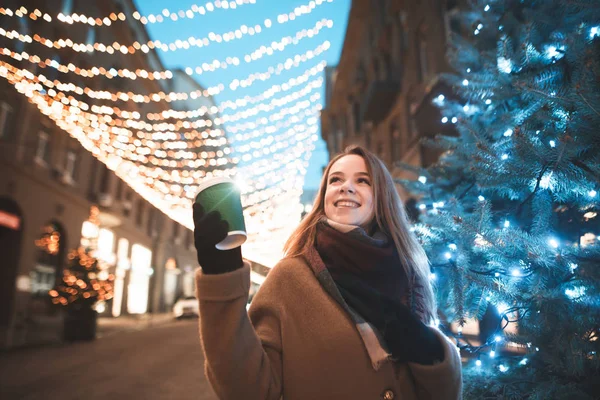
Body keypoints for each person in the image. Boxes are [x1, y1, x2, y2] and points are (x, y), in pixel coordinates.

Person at [193, 145, 462, 400]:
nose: (346, 187)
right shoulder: (290, 277)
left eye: (363, 180)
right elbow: (249, 389)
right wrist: (221, 274)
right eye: (336, 180)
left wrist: (430, 351)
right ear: (324, 198)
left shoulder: (409, 274)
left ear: (382, 198)